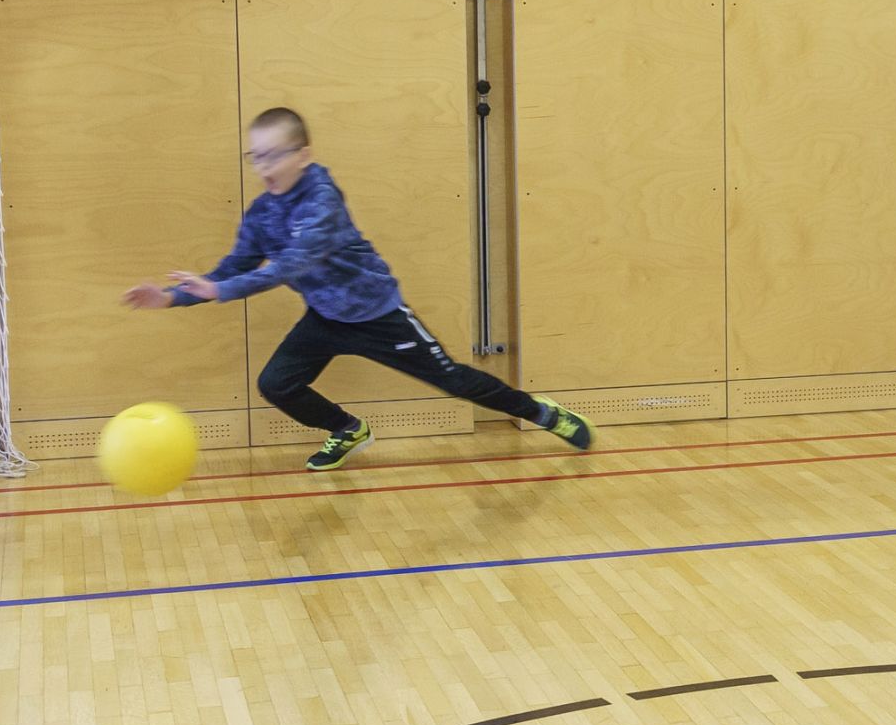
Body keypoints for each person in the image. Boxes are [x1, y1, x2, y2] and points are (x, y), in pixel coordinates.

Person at [124, 106, 592, 470]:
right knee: (276, 384)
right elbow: (232, 267)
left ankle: (541, 413)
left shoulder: (322, 198)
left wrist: (219, 292)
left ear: (302, 155)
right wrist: (170, 298)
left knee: (452, 379)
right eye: (256, 156)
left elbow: (289, 265)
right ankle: (347, 430)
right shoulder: (262, 213)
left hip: (377, 314)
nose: (264, 165)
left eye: (274, 154)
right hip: (326, 317)